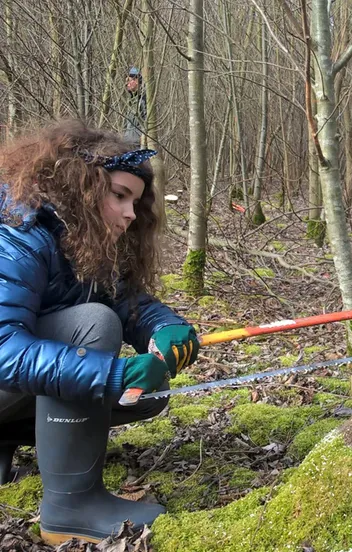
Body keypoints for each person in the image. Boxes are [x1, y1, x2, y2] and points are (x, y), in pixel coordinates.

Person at [0, 120, 199, 544]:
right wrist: (108, 374)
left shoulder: (86, 238)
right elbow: (2, 349)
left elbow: (128, 303)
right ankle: (72, 507)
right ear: (82, 187)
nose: (130, 214)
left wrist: (167, 329)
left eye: (136, 202)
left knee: (149, 391)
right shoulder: (19, 231)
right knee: (93, 325)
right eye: (120, 196)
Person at [124, 66, 147, 145]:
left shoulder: (144, 100)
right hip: (127, 143)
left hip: (138, 144)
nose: (127, 83)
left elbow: (147, 121)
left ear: (137, 81)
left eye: (129, 80)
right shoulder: (130, 100)